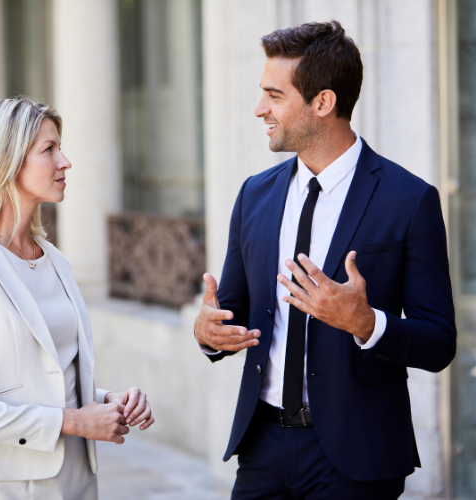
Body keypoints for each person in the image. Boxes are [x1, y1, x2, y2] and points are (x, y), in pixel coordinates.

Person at [194, 21, 456, 500]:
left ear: (323, 103)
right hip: (262, 449)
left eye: (274, 96)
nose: (259, 110)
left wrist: (366, 323)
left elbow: (439, 343)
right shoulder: (254, 195)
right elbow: (229, 315)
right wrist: (208, 333)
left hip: (357, 459)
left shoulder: (409, 201)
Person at [0, 98, 154, 500]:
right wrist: (75, 422)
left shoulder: (56, 261)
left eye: (59, 148)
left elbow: (42, 381)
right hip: (3, 487)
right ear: (5, 162)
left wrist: (106, 402)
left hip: (77, 482)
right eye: (49, 150)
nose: (65, 161)